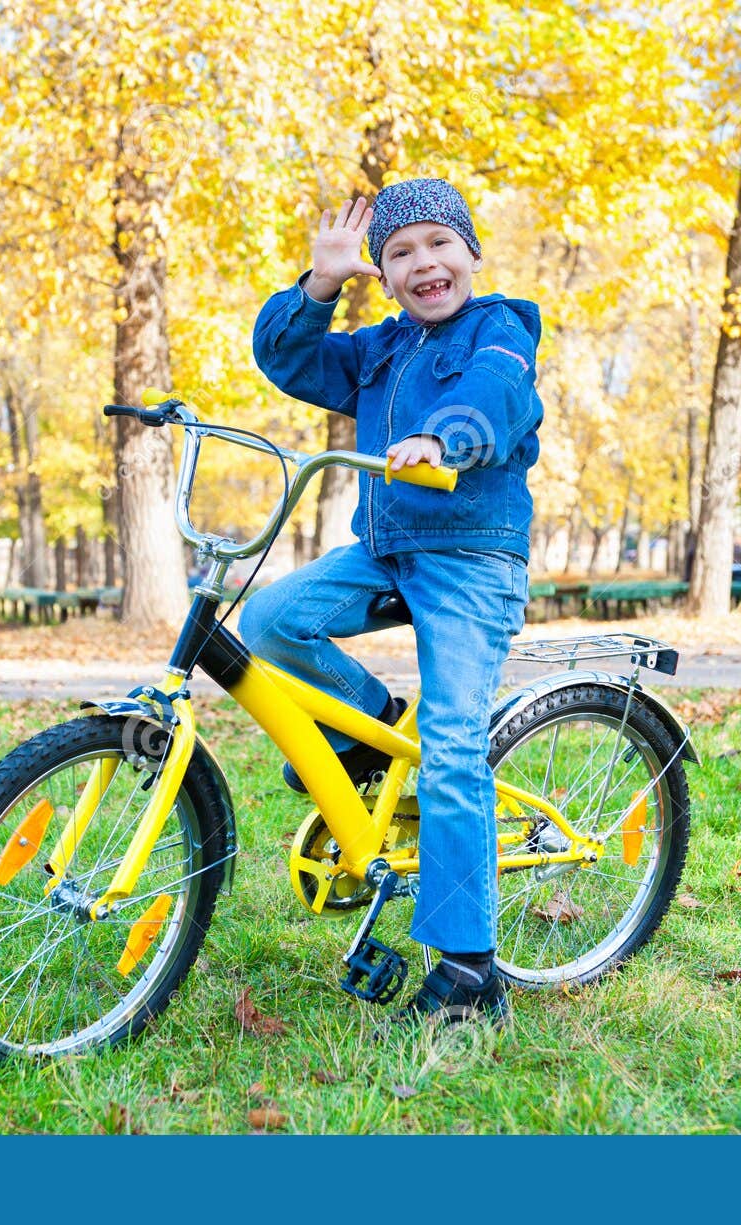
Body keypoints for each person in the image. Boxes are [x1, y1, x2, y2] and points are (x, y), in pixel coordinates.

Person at [240, 180, 543, 1026]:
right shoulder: (379, 348)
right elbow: (289, 361)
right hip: (385, 551)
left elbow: (495, 395)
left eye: (439, 244)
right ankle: (369, 732)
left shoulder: (501, 329)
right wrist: (320, 285)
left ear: (471, 253)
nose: (423, 264)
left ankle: (469, 969)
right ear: (383, 273)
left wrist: (442, 437)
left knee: (451, 746)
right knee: (269, 620)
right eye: (399, 253)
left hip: (472, 557)